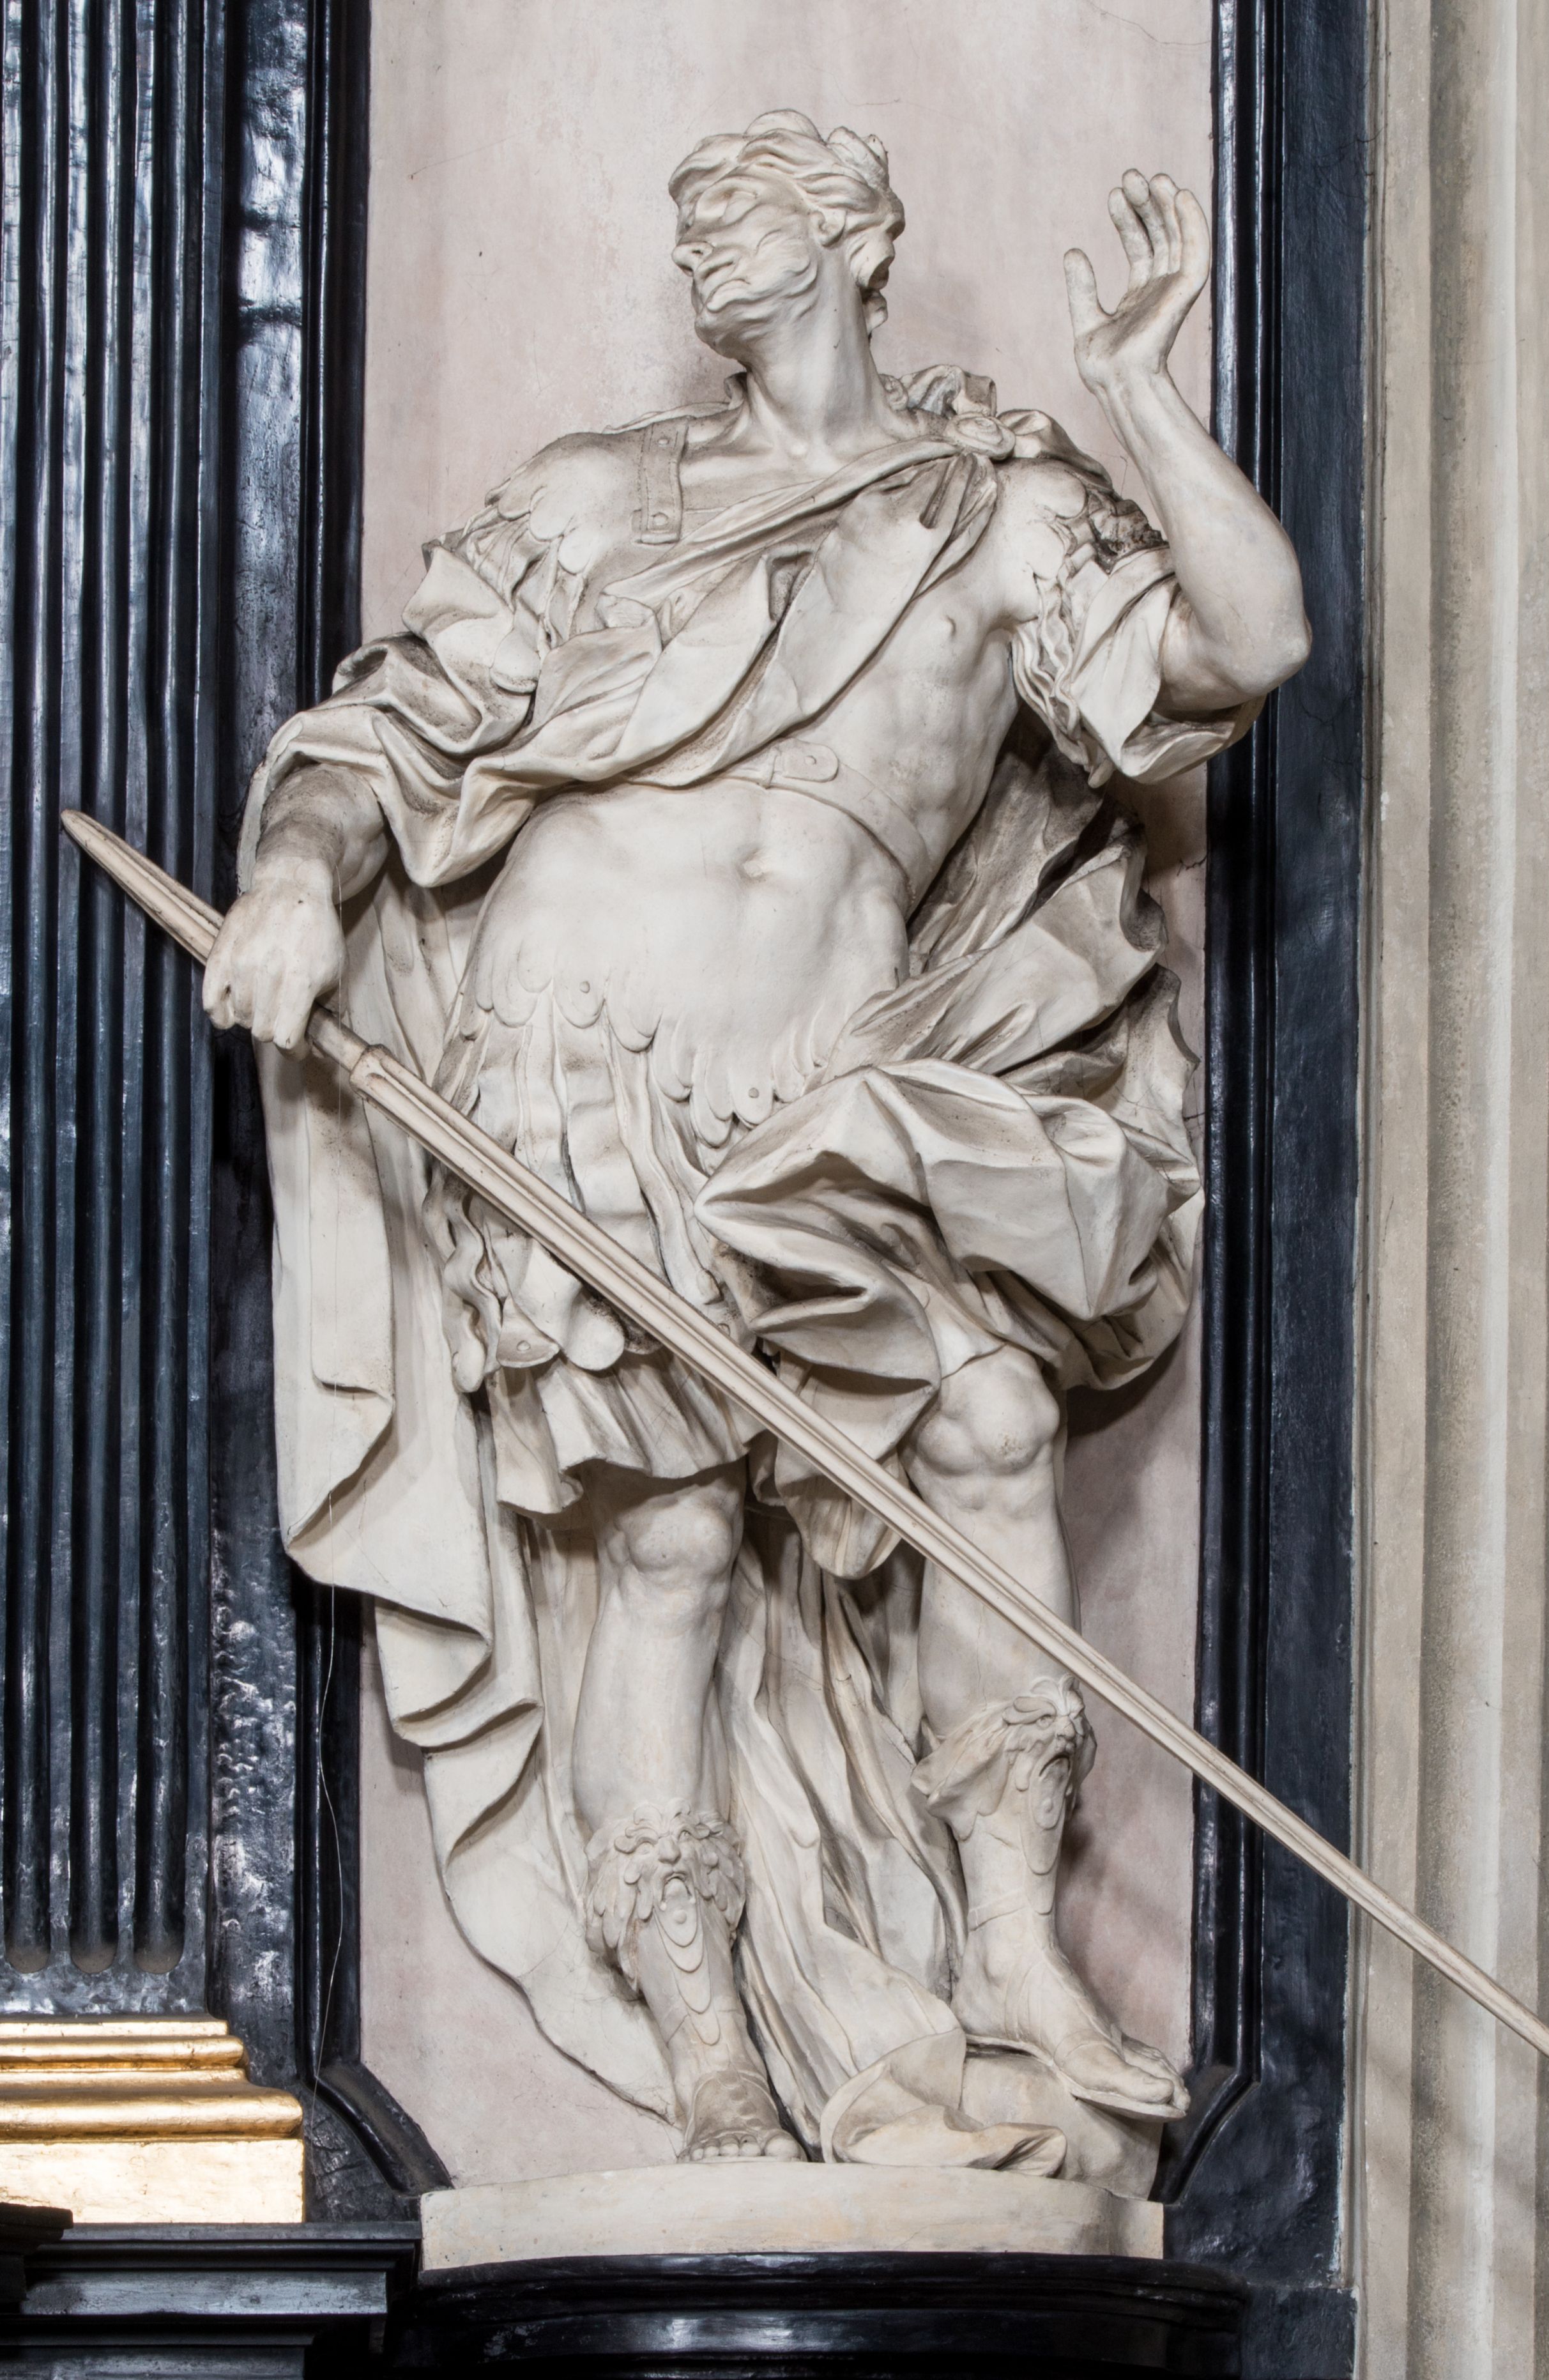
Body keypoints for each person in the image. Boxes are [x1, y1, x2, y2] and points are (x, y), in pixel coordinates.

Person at [208, 112, 1309, 2170]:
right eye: (687, 218)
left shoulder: (996, 511)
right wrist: (292, 877)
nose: (706, 240)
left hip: (830, 1090)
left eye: (751, 207)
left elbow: (1248, 648)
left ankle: (1010, 1945)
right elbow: (384, 732)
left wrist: (1141, 392)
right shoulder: (601, 498)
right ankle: (709, 2036)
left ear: (865, 235)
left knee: (992, 1418)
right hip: (580, 1060)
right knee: (674, 1545)